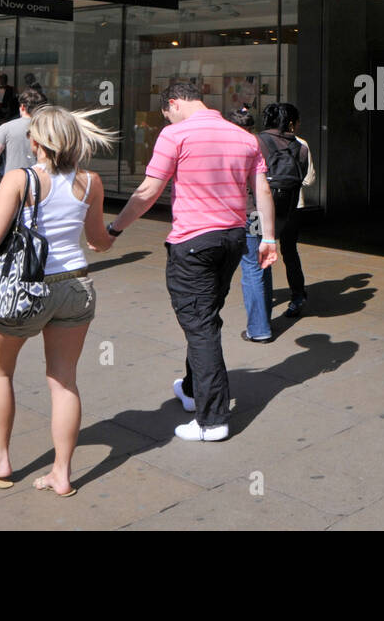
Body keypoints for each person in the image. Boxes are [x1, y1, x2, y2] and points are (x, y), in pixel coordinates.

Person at [103, 82, 278, 442]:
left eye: (166, 112)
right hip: (233, 239)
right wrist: (269, 238)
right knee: (204, 318)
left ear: (173, 103)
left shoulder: (174, 134)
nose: (166, 118)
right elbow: (262, 190)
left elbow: (149, 191)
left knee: (200, 326)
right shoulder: (244, 137)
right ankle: (192, 388)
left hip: (194, 242)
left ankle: (211, 420)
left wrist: (115, 229)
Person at [0, 106, 117, 497]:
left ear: (35, 142)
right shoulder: (90, 181)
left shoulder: (20, 179)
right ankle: (61, 474)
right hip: (76, 287)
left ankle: (0, 460)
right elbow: (98, 241)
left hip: (26, 288)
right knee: (64, 382)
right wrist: (113, 231)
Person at [259, 102, 310, 318]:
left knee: (260, 257)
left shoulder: (257, 142)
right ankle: (297, 296)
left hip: (259, 212)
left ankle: (262, 309)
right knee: (290, 252)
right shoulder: (302, 147)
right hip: (291, 208)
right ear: (291, 122)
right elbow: (306, 178)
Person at [230, 109, 273, 342]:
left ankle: (259, 328)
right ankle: (264, 318)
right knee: (262, 263)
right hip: (258, 214)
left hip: (243, 213)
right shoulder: (259, 143)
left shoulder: (232, 144)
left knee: (251, 269)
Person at [0, 87, 47, 211]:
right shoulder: (49, 128)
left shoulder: (6, 128)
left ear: (22, 107)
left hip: (12, 184)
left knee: (6, 224)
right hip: (44, 184)